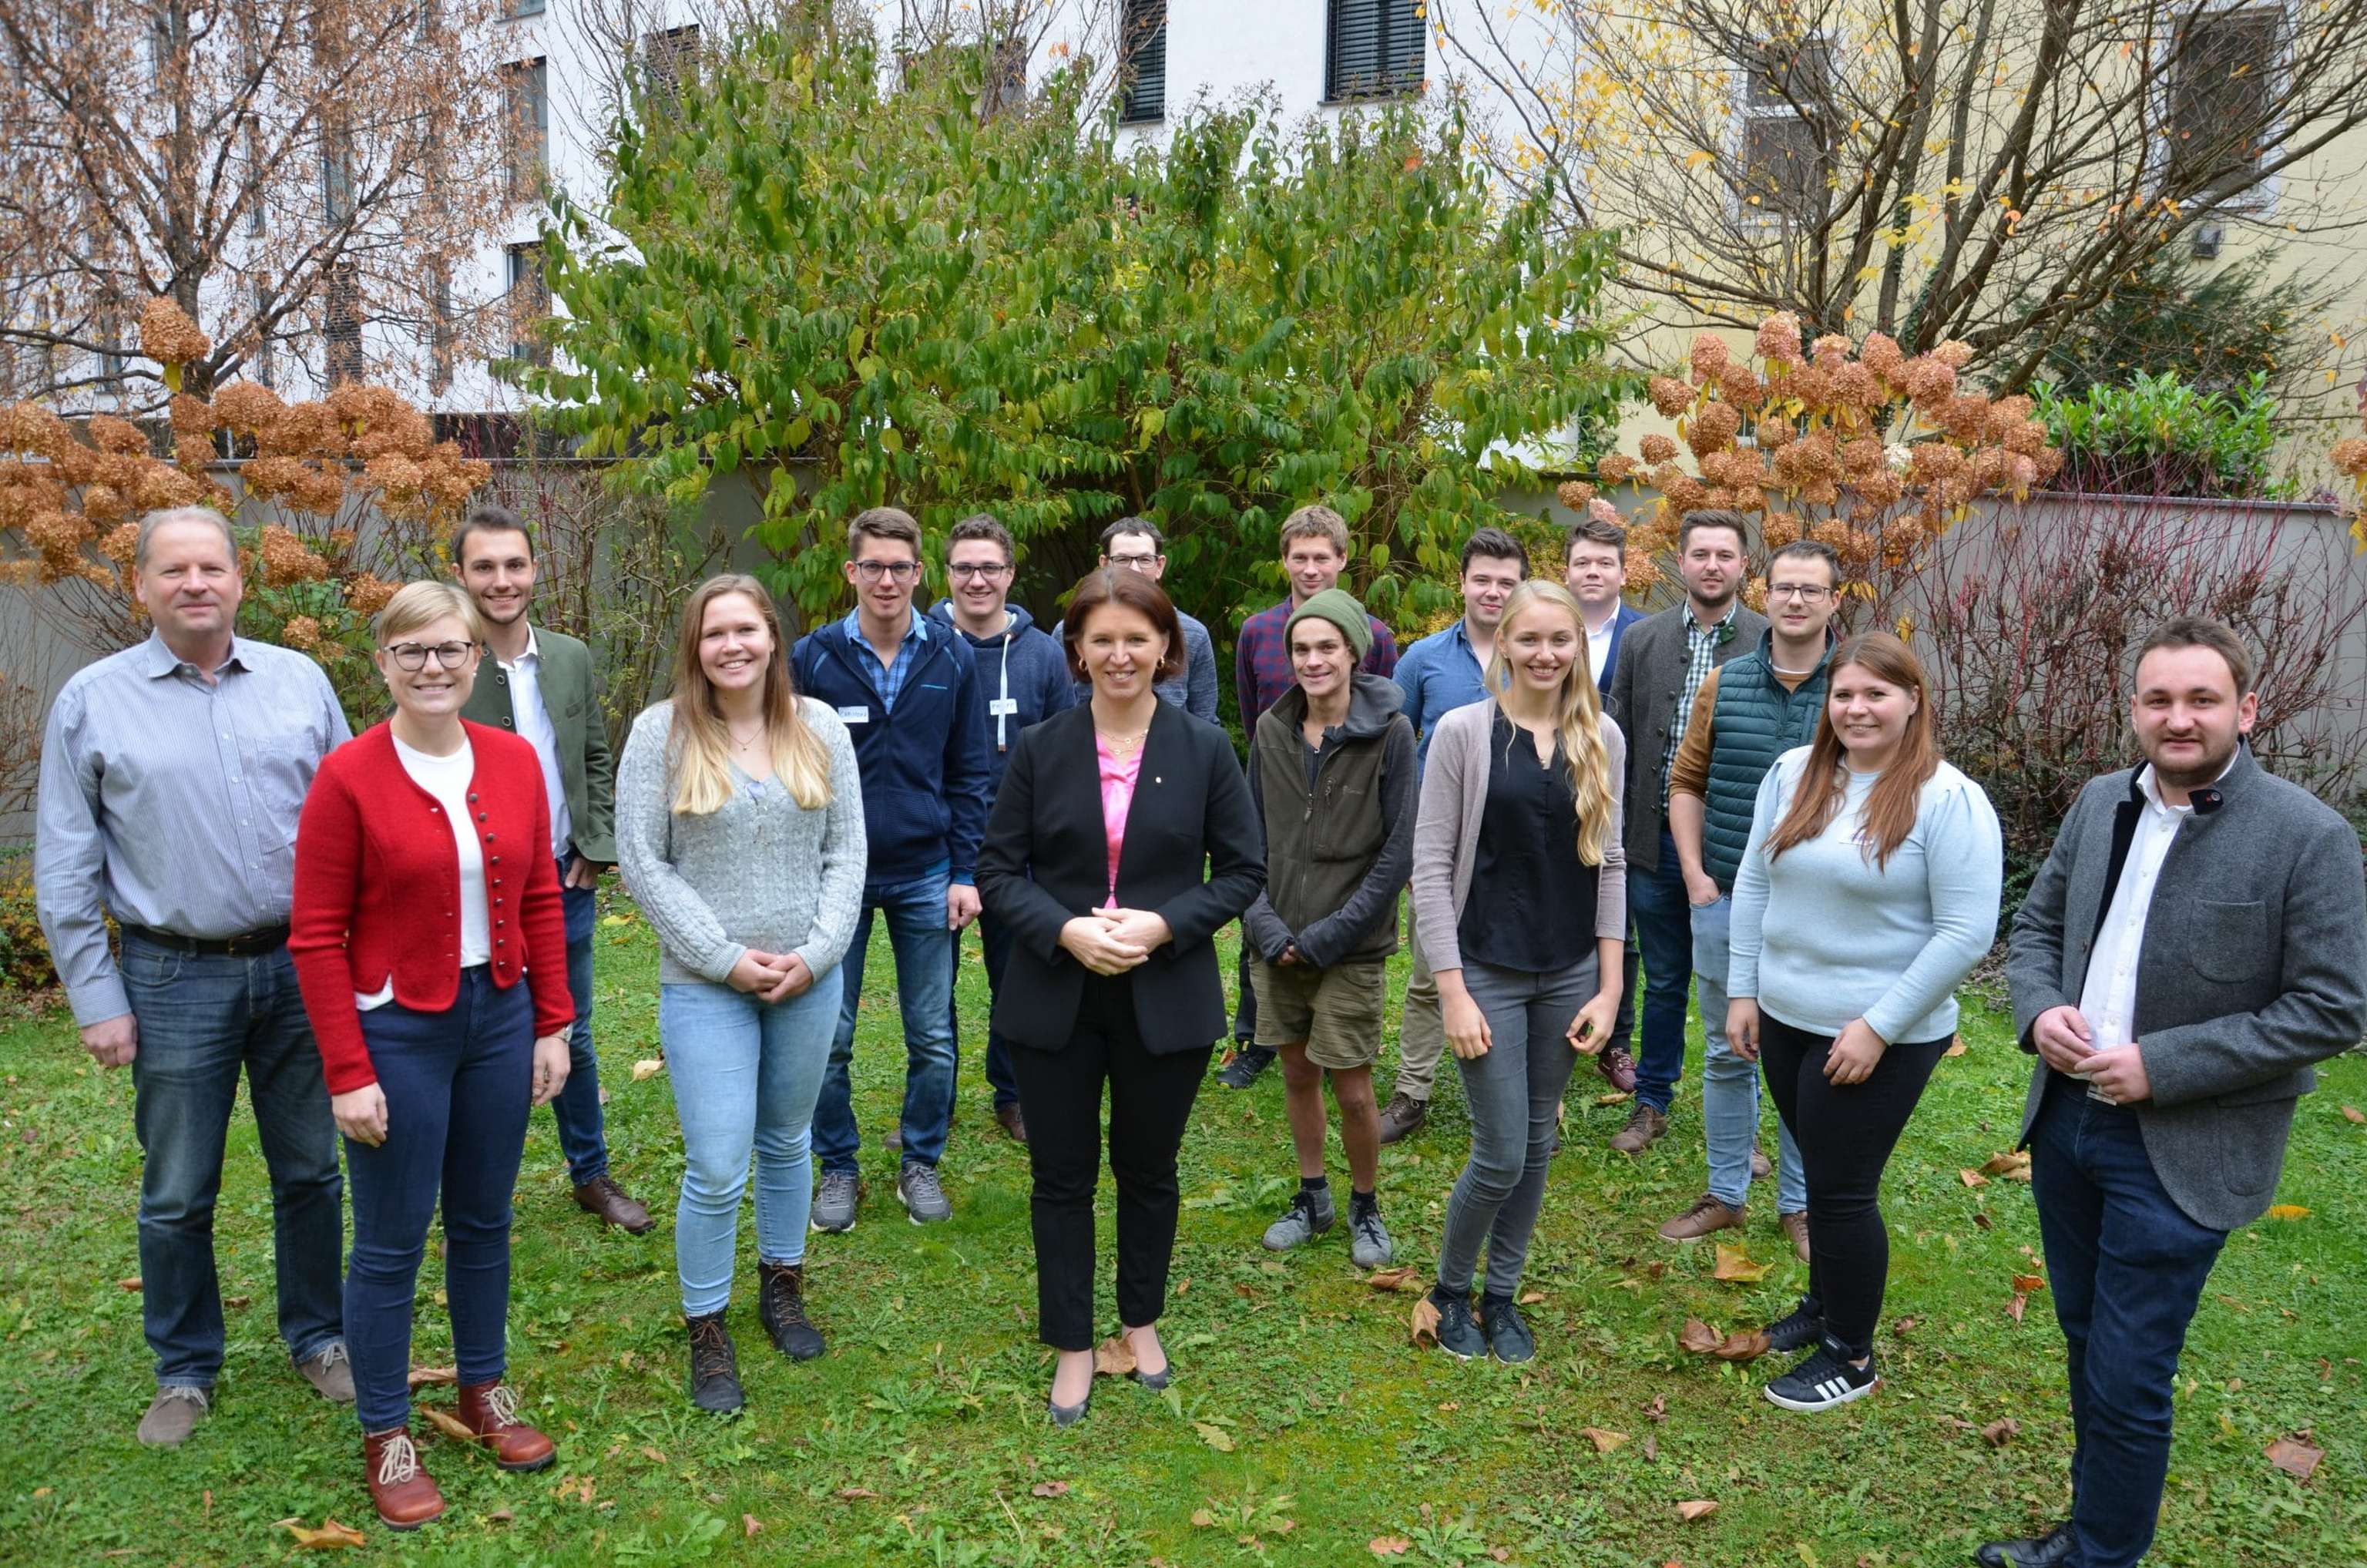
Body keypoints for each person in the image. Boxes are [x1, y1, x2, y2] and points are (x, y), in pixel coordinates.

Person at [1979, 618, 2367, 1568]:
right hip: (2067, 1120)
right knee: (2086, 1336)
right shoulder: (2100, 801)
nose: (2180, 718)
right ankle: (2097, 1524)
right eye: (2160, 700)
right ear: (2135, 710)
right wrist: (2038, 1015)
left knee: (2126, 1368)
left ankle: (2101, 1553)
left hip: (2183, 1150)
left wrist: (2167, 1062)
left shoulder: (2307, 837)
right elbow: (2031, 929)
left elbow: (2333, 1008)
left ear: (2248, 706)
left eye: (2202, 699)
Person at [34, 505, 354, 1447]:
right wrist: (97, 997)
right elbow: (64, 862)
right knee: (178, 1187)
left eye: (210, 566)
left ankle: (321, 1336)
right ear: (140, 587)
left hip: (302, 966)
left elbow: (351, 826)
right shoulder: (92, 701)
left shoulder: (299, 681)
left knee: (311, 1169)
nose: (194, 583)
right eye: (172, 570)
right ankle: (184, 1367)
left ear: (240, 580)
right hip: (173, 978)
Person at [289, 582, 571, 1529]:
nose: (434, 666)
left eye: (450, 648)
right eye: (411, 651)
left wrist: (552, 1022)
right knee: (392, 1239)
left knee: (485, 1220)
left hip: (497, 1018)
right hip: (398, 1029)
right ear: (383, 663)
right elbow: (316, 936)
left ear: (477, 656)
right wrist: (347, 1071)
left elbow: (539, 899)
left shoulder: (515, 760)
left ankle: (481, 1390)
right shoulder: (349, 776)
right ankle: (386, 1431)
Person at [975, 569, 1263, 1425]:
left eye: (1137, 638)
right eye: (1101, 639)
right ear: (1076, 652)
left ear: (1166, 649)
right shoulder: (1040, 747)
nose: (1120, 654)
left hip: (1163, 995)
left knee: (1148, 1169)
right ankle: (1071, 1340)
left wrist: (1164, 925)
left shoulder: (1205, 749)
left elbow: (1246, 870)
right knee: (1061, 1177)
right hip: (1055, 995)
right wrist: (1065, 930)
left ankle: (1139, 1322)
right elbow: (997, 868)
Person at [1725, 633, 2002, 1412]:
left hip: (1879, 1035)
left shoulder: (1947, 800)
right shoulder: (1793, 776)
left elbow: (1965, 933)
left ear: (1914, 699)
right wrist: (1744, 989)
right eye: (1844, 694)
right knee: (1821, 1171)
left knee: (1842, 1193)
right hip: (1783, 1017)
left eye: (1877, 693)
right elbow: (1752, 883)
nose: (1857, 708)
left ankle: (1852, 1352)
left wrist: (1878, 1026)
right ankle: (1825, 1307)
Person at [617, 576, 867, 1412]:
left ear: (772, 638)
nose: (733, 645)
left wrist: (818, 951)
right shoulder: (661, 735)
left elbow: (846, 855)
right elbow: (644, 864)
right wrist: (724, 958)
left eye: (747, 629)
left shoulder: (820, 728)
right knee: (720, 1164)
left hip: (806, 978)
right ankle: (707, 1323)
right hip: (707, 984)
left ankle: (782, 1282)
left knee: (789, 1141)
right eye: (715, 631)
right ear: (695, 644)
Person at [1410, 581, 1626, 1364]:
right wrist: (1452, 989)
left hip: (1566, 972)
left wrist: (1608, 987)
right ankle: (1449, 1288)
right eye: (1528, 639)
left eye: (1559, 641)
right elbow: (1430, 866)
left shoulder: (1602, 735)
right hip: (1486, 968)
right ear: (1502, 644)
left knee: (1537, 1142)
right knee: (1500, 1149)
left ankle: (1501, 1295)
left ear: (1579, 647)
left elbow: (1612, 861)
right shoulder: (1464, 733)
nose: (1544, 654)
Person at [792, 507, 992, 1230]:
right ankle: (839, 1166)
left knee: (932, 1033)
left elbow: (970, 772)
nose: (886, 579)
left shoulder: (950, 657)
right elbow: (790, 771)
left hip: (925, 870)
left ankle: (920, 1160)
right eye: (872, 566)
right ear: (851, 572)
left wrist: (965, 870)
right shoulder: (812, 658)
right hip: (833, 875)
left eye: (900, 567)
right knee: (829, 1033)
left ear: (919, 574)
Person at [452, 503, 650, 1234]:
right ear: (462, 575)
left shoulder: (568, 656)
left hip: (562, 880)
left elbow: (594, 755)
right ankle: (480, 1189)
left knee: (574, 1030)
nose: (502, 581)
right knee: (482, 1038)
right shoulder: (448, 661)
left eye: (514, 565)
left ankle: (590, 1171)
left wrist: (595, 849)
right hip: (476, 891)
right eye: (485, 567)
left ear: (534, 570)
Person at [1656, 539, 1841, 1259]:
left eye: (1810, 589)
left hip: (1821, 913)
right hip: (1727, 897)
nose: (1795, 600)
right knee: (1728, 1051)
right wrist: (1698, 878)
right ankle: (1726, 1193)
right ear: (1765, 594)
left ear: (1834, 600)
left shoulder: (1852, 689)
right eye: (1784, 587)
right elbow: (1685, 782)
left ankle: (1798, 1204)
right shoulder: (1725, 683)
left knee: (1803, 1059)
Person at [1242, 588, 1417, 1268]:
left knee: (1351, 1085)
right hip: (1276, 937)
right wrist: (1263, 922)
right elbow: (1247, 836)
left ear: (1354, 652)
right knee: (1295, 1072)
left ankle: (1365, 1203)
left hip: (1351, 946)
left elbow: (1398, 850)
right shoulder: (1270, 731)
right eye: (1301, 649)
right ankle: (1312, 1193)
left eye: (1327, 647)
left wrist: (1331, 935)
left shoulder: (1391, 734)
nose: (1313, 661)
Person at [1601, 510, 1766, 1153]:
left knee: (1736, 985)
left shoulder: (1766, 639)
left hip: (1732, 841)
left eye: (1726, 554)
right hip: (1653, 841)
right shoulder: (1642, 641)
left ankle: (1743, 1124)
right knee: (1665, 977)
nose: (1713, 565)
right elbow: (1619, 742)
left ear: (1744, 565)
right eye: (1700, 553)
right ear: (1681, 560)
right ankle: (1653, 1102)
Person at [1223, 505, 1401, 1090]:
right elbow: (1255, 718)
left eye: (1321, 556)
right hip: (1279, 779)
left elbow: (1381, 706)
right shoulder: (1258, 631)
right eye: (1299, 556)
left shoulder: (1374, 635)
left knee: (1328, 905)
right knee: (1268, 913)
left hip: (1346, 789)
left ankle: (1331, 1033)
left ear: (1342, 561)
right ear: (1285, 562)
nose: (1310, 566)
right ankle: (1254, 1038)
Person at [1378, 526, 1526, 1144]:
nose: (1493, 592)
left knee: (1516, 968)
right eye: (1482, 579)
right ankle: (1413, 1090)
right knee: (1431, 971)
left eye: (1507, 582)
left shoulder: (1543, 654)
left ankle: (1511, 1094)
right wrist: (1406, 844)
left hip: (1521, 842)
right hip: (1441, 842)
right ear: (1461, 582)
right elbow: (1392, 753)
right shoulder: (1423, 659)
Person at [933, 513, 1078, 1143]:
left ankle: (1012, 1092)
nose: (977, 579)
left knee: (1015, 978)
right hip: (939, 842)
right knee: (931, 988)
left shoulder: (1044, 653)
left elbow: (1066, 749)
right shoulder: (925, 645)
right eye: (964, 567)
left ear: (1010, 574)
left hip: (1020, 848)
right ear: (946, 575)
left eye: (990, 567)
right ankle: (931, 1103)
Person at [1564, 512, 1647, 1097]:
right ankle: (1560, 1024)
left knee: (1622, 921)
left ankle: (1617, 1037)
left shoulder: (1643, 636)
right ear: (1566, 572)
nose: (1593, 572)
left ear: (1624, 572)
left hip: (1621, 796)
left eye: (1605, 563)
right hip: (1548, 795)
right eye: (1583, 562)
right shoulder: (1545, 625)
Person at [1089, 517, 1220, 724]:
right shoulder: (1075, 631)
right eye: (1122, 560)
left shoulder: (1193, 634)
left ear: (1159, 565)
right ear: (1104, 564)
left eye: (1144, 560)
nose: (1134, 570)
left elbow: (1205, 721)